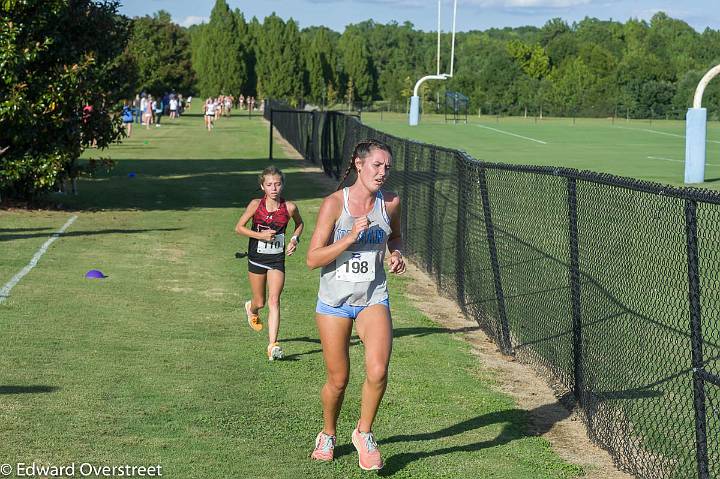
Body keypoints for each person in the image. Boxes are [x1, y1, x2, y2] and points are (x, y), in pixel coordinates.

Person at [306, 139, 405, 470]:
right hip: (334, 301)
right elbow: (312, 258)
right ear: (359, 165)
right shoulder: (335, 204)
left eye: (387, 167)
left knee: (377, 369)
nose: (382, 172)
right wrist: (348, 238)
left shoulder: (390, 202)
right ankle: (328, 433)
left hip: (372, 296)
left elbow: (395, 236)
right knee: (338, 380)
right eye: (377, 165)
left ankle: (364, 433)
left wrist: (396, 254)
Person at [234, 166, 304, 360]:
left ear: (282, 185)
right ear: (263, 186)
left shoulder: (289, 208)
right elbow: (239, 228)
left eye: (278, 184)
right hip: (257, 257)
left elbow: (300, 224)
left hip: (276, 260)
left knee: (274, 300)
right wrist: (260, 235)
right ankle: (251, 308)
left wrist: (294, 240)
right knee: (261, 302)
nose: (274, 188)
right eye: (269, 185)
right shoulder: (256, 205)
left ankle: (273, 345)